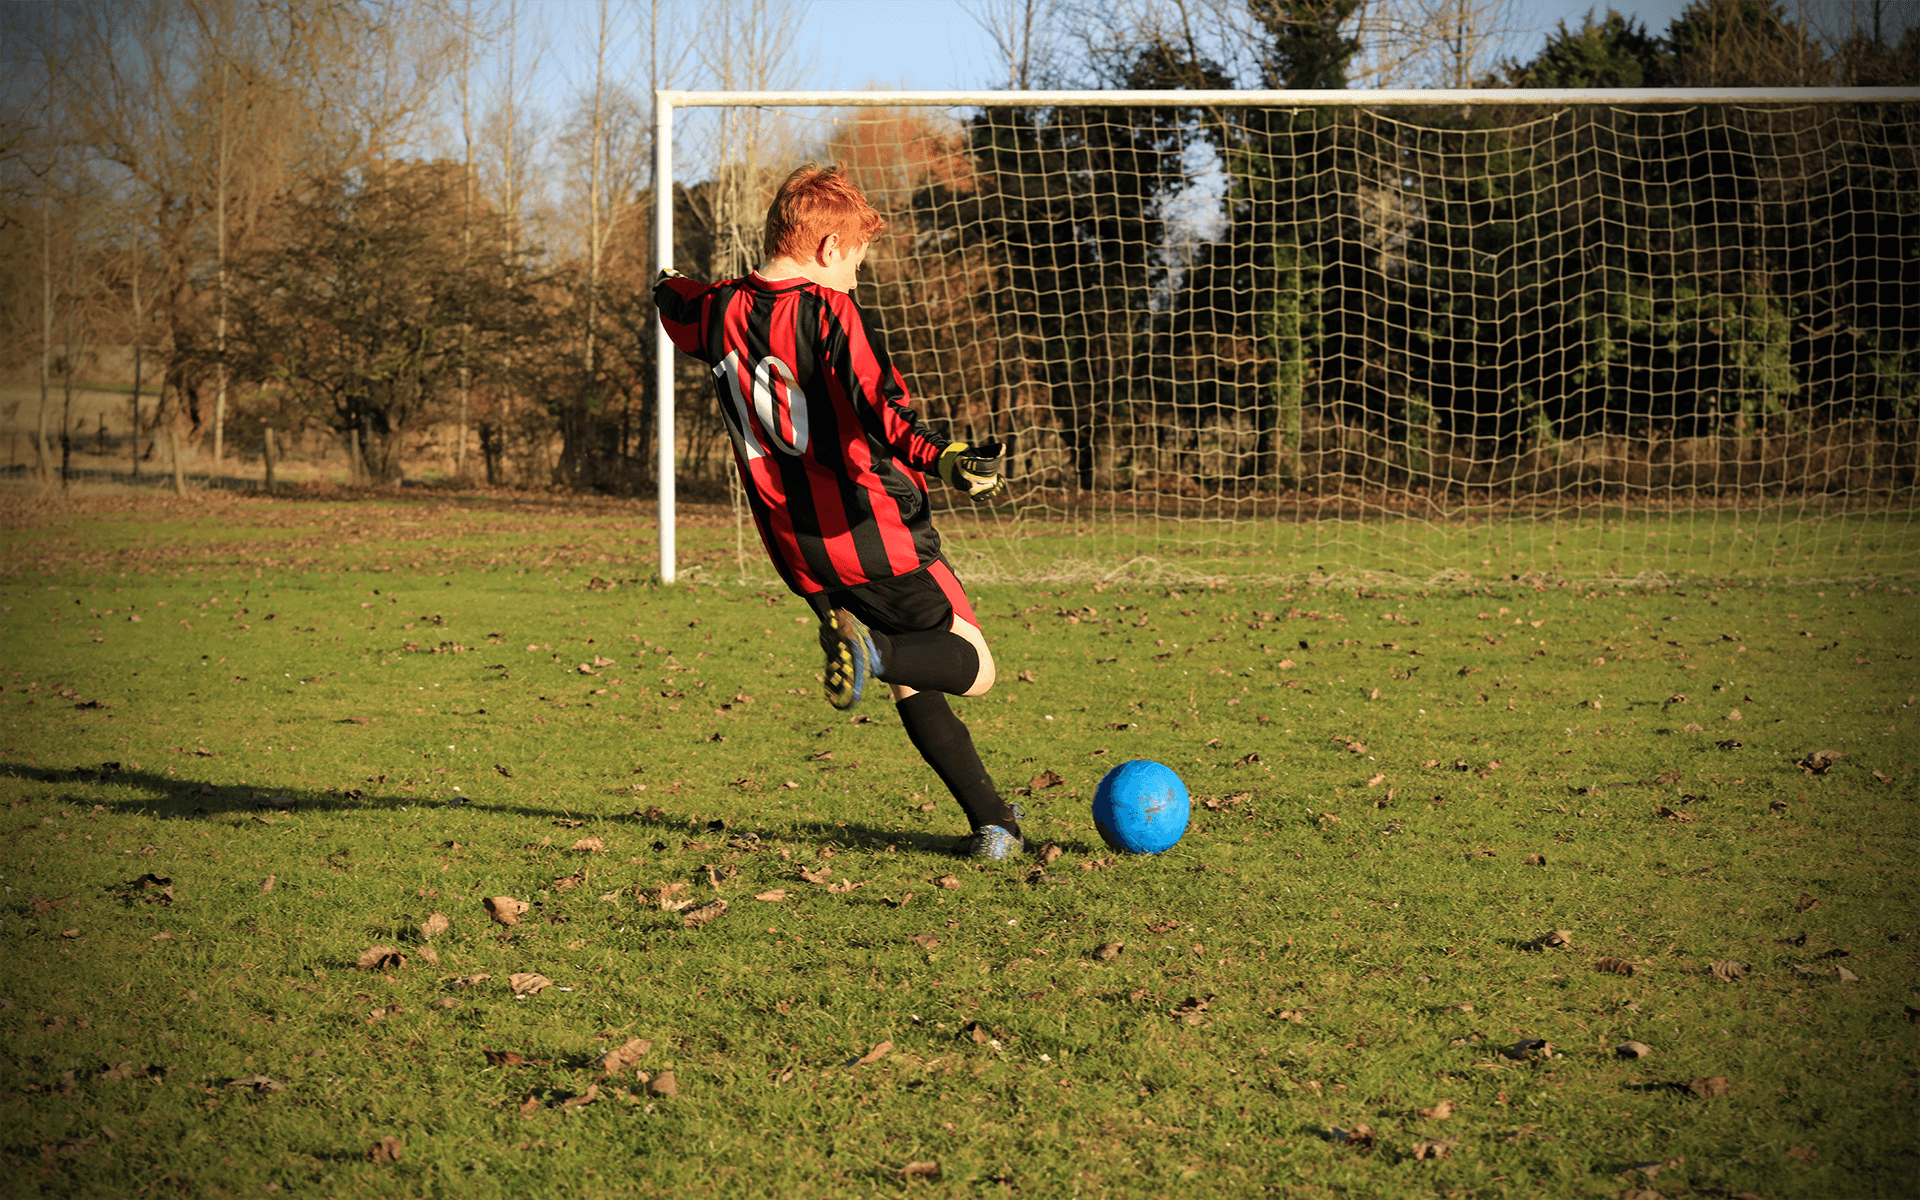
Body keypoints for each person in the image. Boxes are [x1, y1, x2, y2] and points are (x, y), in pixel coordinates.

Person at [654, 163, 1026, 860]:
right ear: (828, 250)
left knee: (915, 677)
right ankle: (873, 652)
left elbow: (675, 302)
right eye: (855, 258)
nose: (857, 274)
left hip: (798, 552)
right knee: (974, 667)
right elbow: (883, 411)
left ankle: (994, 824)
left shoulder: (715, 311)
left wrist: (668, 284)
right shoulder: (829, 312)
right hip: (870, 534)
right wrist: (946, 458)